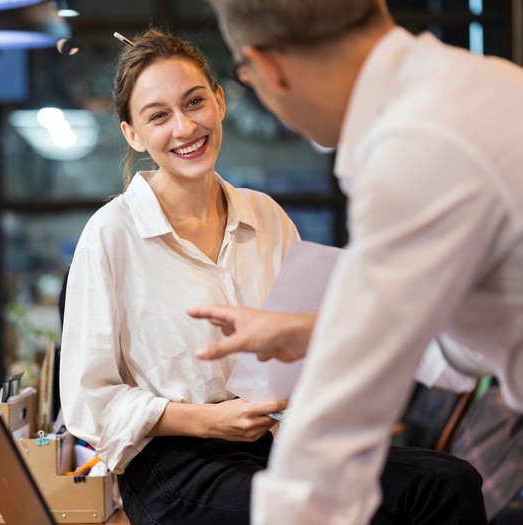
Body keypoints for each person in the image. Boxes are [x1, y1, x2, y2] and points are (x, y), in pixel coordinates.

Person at [59, 28, 485, 525]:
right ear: (133, 133)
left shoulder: (264, 215)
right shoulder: (110, 235)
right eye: (158, 116)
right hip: (173, 461)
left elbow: (304, 342)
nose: (184, 127)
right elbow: (91, 399)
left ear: (219, 102)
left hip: (275, 438)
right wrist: (209, 420)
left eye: (195, 102)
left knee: (448, 484)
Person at [188, 0, 523, 523]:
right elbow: (454, 333)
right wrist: (320, 331)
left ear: (267, 68)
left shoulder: (415, 147)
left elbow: (335, 438)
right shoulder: (482, 86)